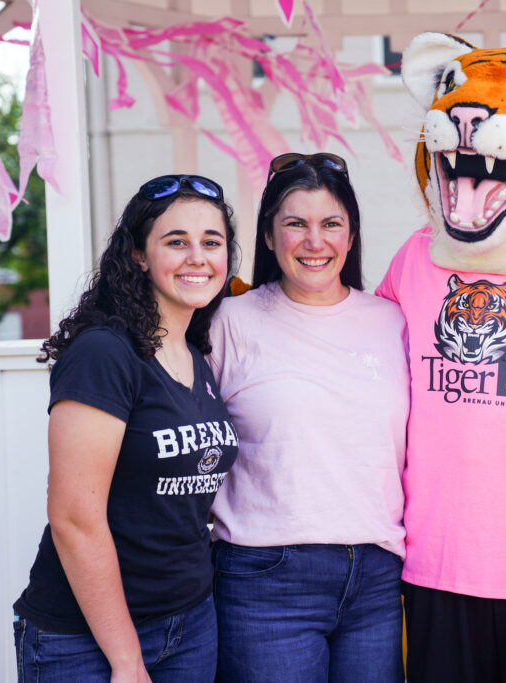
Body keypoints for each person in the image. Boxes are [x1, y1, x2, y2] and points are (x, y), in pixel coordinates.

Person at [13, 174, 240, 681]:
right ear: (138, 255)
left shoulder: (195, 352)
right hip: (86, 639)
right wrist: (126, 660)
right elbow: (74, 518)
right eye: (175, 241)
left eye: (212, 242)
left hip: (190, 622)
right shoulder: (104, 353)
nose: (197, 257)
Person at [207, 152, 409, 683]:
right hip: (265, 578)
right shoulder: (229, 321)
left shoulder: (392, 320)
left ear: (350, 234)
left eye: (331, 224)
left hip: (378, 577)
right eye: (295, 223)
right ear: (269, 238)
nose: (314, 241)